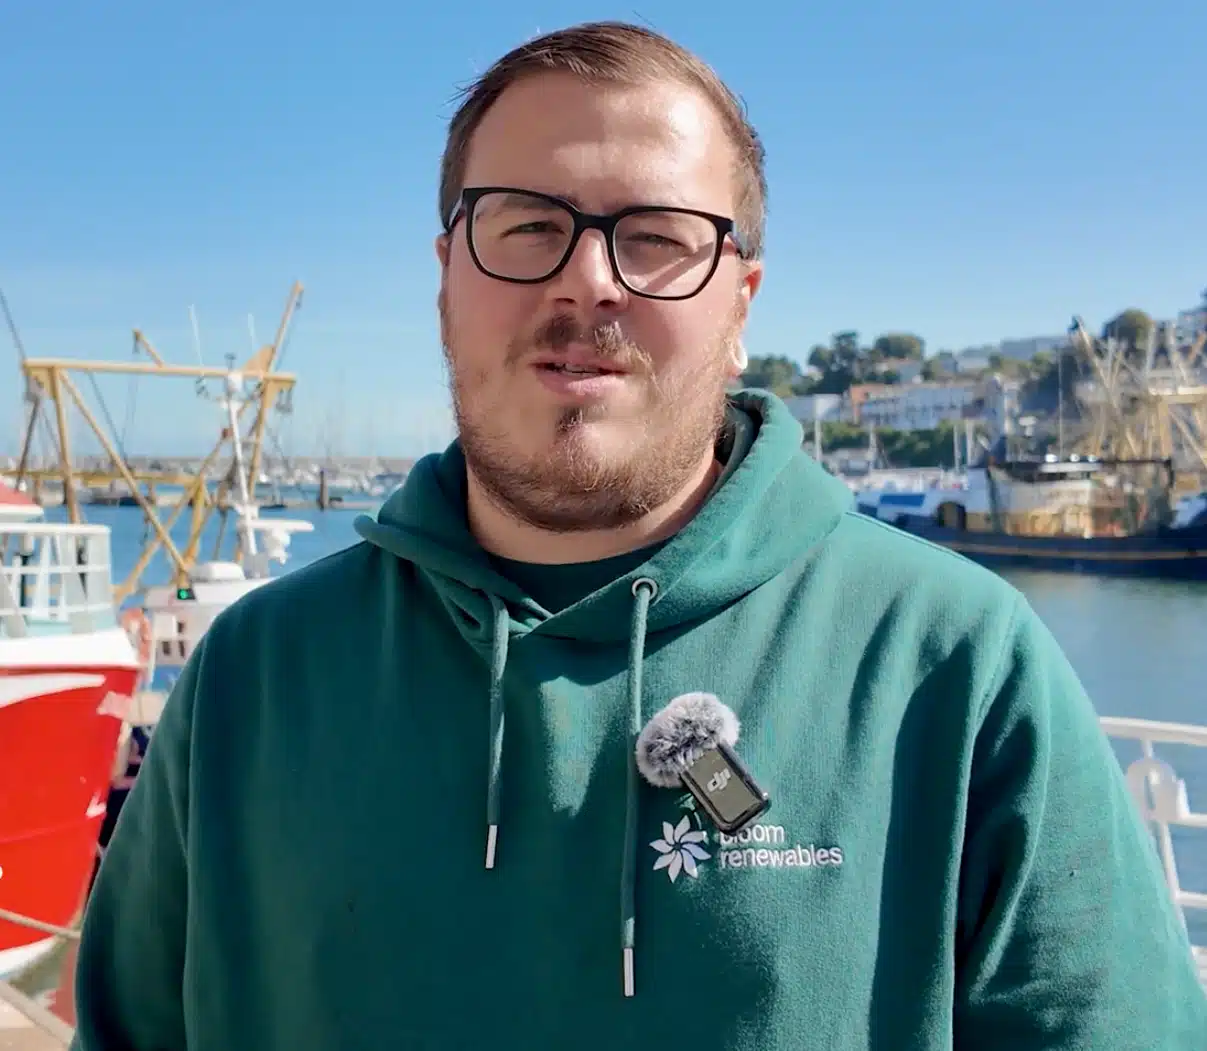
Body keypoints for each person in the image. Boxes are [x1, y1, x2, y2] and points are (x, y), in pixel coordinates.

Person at [71, 20, 1205, 1051]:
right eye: (526, 226)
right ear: (444, 279)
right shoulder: (253, 680)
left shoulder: (954, 670)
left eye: (656, 239)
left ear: (741, 298)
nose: (587, 281)